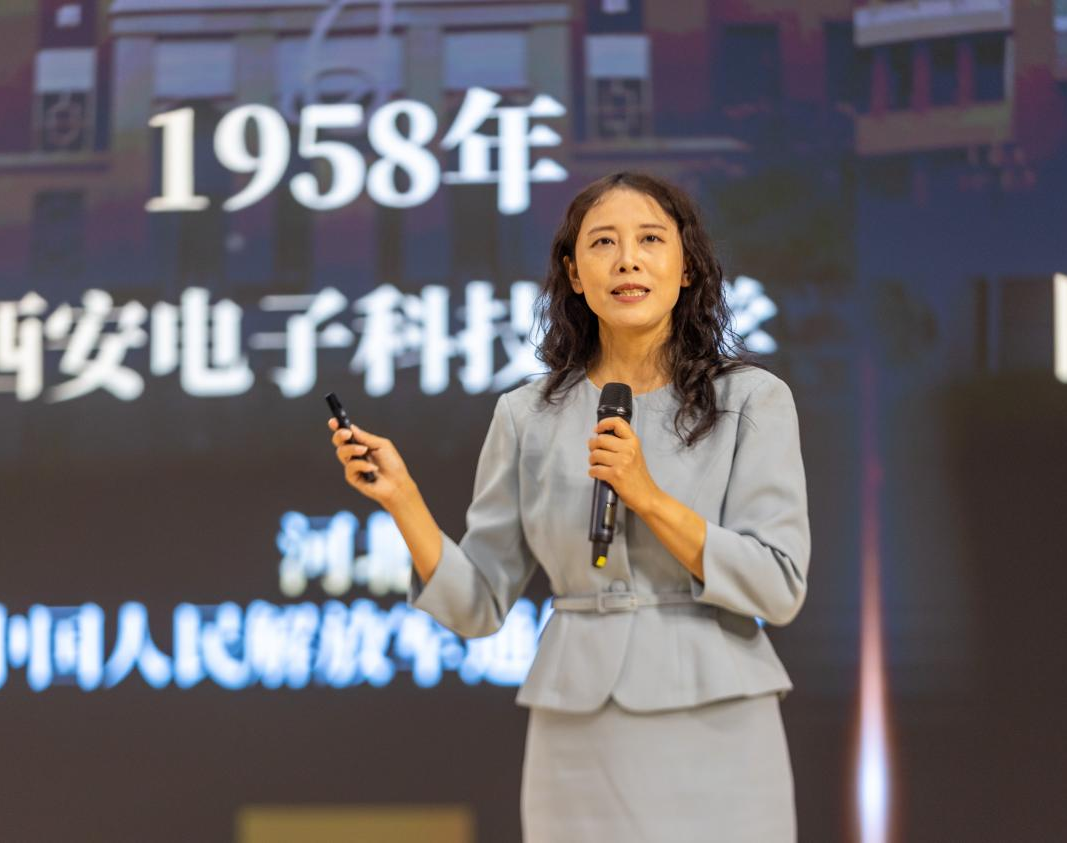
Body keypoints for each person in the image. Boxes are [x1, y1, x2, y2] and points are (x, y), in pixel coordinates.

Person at [328, 172, 809, 842]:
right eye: (603, 242)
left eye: (650, 240)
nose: (628, 260)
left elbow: (778, 587)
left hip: (718, 715)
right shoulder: (527, 414)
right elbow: (476, 605)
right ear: (574, 273)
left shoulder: (752, 400)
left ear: (688, 267)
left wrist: (648, 496)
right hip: (578, 727)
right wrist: (402, 498)